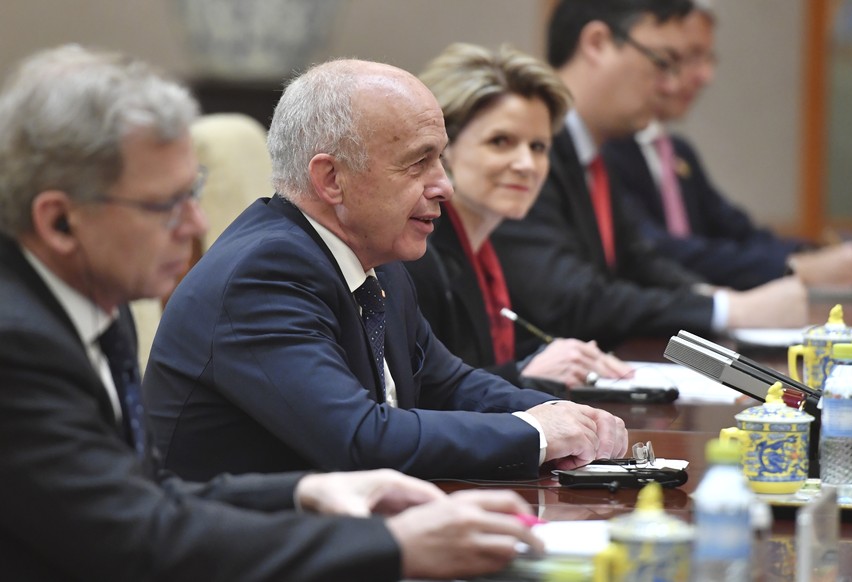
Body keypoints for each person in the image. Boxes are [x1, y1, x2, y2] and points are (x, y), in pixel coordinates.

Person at [0, 44, 551, 582]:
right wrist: (392, 546)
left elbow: (143, 492)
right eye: (165, 204)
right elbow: (135, 536)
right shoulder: (18, 346)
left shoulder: (94, 305)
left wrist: (301, 492)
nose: (195, 225)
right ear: (59, 223)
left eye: (193, 193)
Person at [143, 57, 628, 483]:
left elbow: (447, 383)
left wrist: (558, 413)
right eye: (418, 163)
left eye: (440, 158)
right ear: (332, 179)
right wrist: (536, 433)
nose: (444, 186)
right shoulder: (264, 275)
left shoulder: (376, 256)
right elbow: (358, 438)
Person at [490, 0, 809, 351]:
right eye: (662, 62)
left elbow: (638, 260)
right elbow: (569, 299)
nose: (671, 86)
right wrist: (729, 310)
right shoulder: (528, 154)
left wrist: (712, 296)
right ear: (597, 43)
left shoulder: (596, 152)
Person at [404, 42, 633, 391]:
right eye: (501, 141)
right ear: (443, 149)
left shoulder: (485, 248)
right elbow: (421, 394)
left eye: (538, 147)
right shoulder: (419, 253)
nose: (526, 165)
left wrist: (562, 358)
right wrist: (526, 374)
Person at [602, 2, 852, 290]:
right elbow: (656, 251)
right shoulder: (606, 148)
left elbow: (738, 232)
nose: (705, 76)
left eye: (708, 58)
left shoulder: (677, 151)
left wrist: (816, 254)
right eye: (685, 56)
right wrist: (795, 266)